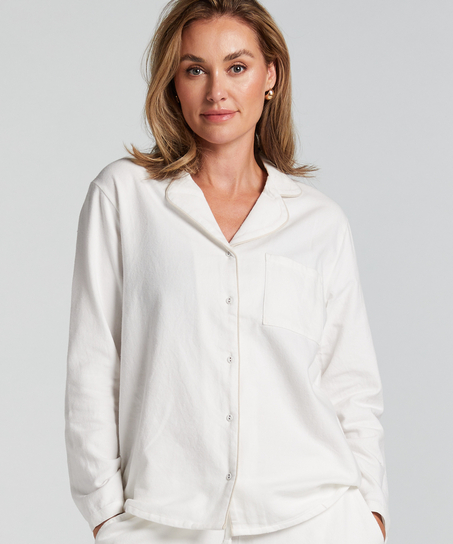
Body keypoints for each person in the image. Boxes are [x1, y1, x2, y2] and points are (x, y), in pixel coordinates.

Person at [64, 1, 390, 543]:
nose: (217, 90)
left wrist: (371, 514)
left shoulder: (320, 223)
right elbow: (93, 365)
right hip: (164, 523)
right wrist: (105, 515)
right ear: (174, 83)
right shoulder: (123, 197)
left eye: (237, 67)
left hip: (317, 520)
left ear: (270, 76)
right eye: (196, 69)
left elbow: (350, 384)